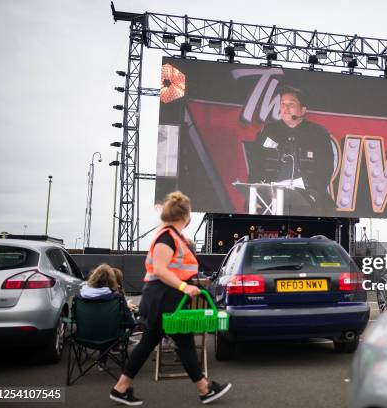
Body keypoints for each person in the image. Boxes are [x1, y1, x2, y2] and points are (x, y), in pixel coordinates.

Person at [110, 191, 231, 406]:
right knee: (171, 342)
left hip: (165, 297)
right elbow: (160, 269)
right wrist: (185, 287)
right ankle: (204, 389)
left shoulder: (171, 235)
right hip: (163, 297)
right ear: (185, 215)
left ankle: (121, 388)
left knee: (160, 342)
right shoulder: (167, 237)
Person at [249, 86, 335, 215]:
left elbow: (325, 168)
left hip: (307, 200)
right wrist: (255, 192)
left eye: (291, 104)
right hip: (270, 199)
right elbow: (256, 164)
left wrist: (313, 194)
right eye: (283, 104)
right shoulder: (268, 131)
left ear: (303, 110)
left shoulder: (318, 133)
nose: (285, 108)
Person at [79, 264, 136, 370]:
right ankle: (112, 353)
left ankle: (101, 361)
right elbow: (130, 322)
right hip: (111, 337)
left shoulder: (80, 297)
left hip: (83, 336)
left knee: (102, 327)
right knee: (112, 328)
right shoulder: (116, 298)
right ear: (111, 280)